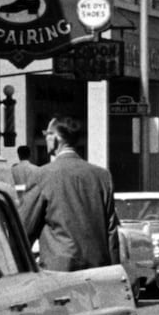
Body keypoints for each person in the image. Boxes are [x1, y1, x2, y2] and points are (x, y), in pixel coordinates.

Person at [19, 116, 120, 271]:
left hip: (59, 272)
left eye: (47, 134)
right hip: (97, 270)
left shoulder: (42, 175)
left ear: (55, 138)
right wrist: (114, 271)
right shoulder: (102, 176)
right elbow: (111, 232)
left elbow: (24, 229)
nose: (45, 138)